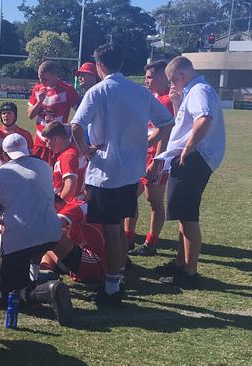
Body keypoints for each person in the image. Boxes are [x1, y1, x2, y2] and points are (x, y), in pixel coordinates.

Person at [70, 44, 174, 306]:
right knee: (118, 230)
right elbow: (166, 123)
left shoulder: (98, 91)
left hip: (106, 173)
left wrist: (85, 150)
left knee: (112, 232)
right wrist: (147, 143)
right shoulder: (139, 91)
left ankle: (112, 286)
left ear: (99, 66)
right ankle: (115, 280)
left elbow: (76, 126)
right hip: (130, 172)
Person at [150, 56, 226, 287]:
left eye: (173, 80)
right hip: (192, 157)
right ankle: (181, 263)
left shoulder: (198, 91)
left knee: (187, 215)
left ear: (181, 76)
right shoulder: (193, 91)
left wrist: (189, 147)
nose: (172, 84)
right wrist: (175, 102)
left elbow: (204, 118)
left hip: (194, 158)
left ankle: (189, 271)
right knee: (182, 213)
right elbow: (186, 122)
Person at [0, 133, 71, 323]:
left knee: (8, 296)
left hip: (21, 240)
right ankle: (34, 277)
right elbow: (55, 199)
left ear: (4, 156)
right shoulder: (44, 167)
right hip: (52, 234)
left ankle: (47, 291)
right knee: (34, 247)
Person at [127, 60, 175, 256]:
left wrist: (158, 160)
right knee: (129, 196)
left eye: (149, 77)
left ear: (162, 77)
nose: (146, 81)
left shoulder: (168, 100)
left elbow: (166, 132)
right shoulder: (151, 97)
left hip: (157, 157)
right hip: (141, 155)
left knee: (154, 200)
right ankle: (127, 237)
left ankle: (151, 243)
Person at [27, 60, 79, 164]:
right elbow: (30, 115)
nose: (42, 82)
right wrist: (39, 102)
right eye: (40, 79)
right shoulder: (37, 89)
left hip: (57, 142)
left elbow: (81, 113)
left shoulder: (67, 90)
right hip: (40, 140)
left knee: (56, 174)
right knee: (38, 172)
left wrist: (68, 128)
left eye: (45, 79)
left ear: (55, 75)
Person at [41, 122, 87, 203]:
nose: (47, 145)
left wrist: (58, 205)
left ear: (55, 139)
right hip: (78, 201)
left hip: (70, 204)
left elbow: (70, 186)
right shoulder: (75, 150)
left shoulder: (67, 156)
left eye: (47, 141)